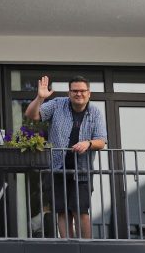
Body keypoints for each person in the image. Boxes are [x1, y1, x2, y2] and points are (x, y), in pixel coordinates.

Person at [25, 75, 107, 238]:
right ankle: (67, 246)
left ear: (89, 93)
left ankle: (86, 248)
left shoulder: (95, 112)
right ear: (69, 93)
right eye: (75, 91)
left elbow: (102, 141)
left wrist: (88, 143)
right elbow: (31, 115)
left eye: (82, 91)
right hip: (57, 168)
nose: (79, 94)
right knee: (62, 211)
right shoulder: (57, 104)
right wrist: (40, 98)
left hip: (82, 170)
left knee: (80, 210)